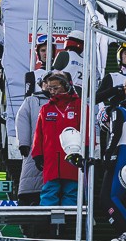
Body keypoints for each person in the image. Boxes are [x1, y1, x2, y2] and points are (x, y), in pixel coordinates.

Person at [31, 71, 82, 206]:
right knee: (49, 192)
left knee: (71, 192)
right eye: (50, 88)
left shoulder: (79, 106)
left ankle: (69, 219)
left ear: (65, 86)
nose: (52, 91)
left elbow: (87, 130)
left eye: (55, 88)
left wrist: (87, 148)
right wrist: (37, 154)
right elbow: (39, 134)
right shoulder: (46, 109)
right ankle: (47, 219)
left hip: (72, 157)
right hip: (51, 158)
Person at [96, 101, 126, 241]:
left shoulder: (115, 111)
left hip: (121, 151)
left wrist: (107, 153)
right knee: (108, 198)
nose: (106, 126)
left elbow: (115, 132)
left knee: (110, 197)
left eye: (105, 125)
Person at [15, 70, 48, 206]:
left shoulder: (66, 103)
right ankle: (29, 199)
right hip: (34, 148)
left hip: (55, 148)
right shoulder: (31, 101)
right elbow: (22, 120)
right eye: (46, 83)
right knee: (32, 175)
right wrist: (23, 143)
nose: (50, 86)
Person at [96, 43, 126, 108]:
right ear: (120, 56)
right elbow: (95, 99)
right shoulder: (111, 77)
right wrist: (115, 90)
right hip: (118, 112)